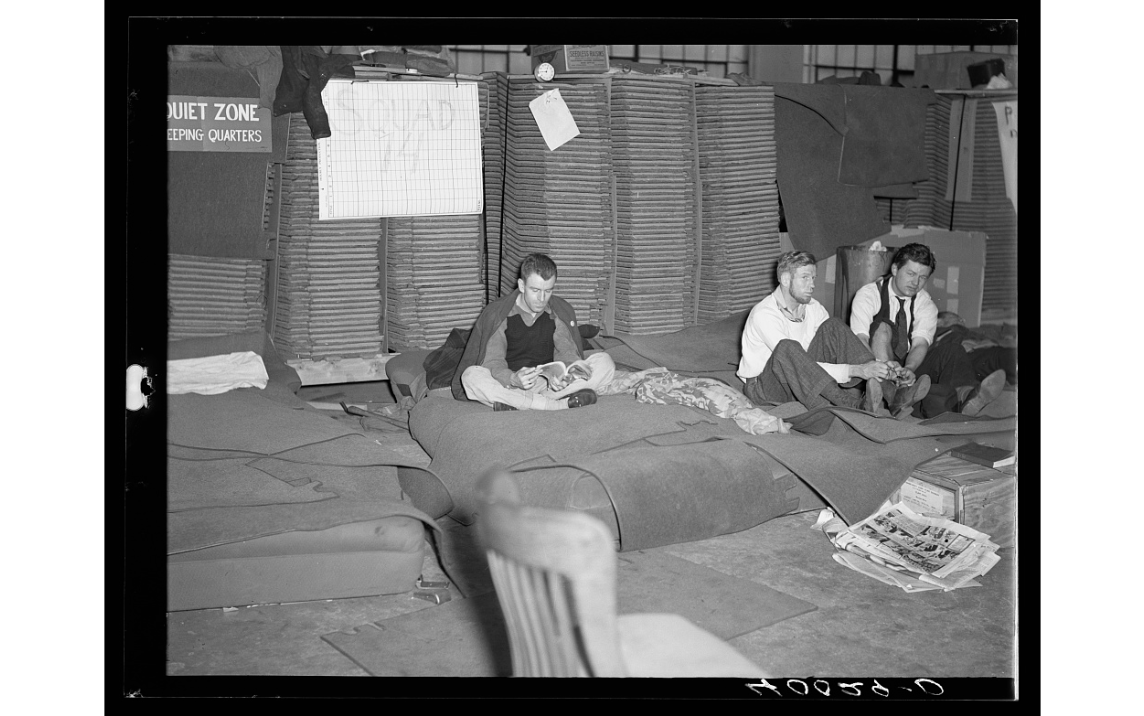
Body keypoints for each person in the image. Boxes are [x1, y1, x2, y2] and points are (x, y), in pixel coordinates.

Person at [737, 250, 929, 418]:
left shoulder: (813, 308)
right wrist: (856, 370)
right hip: (766, 387)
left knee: (834, 325)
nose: (812, 285)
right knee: (787, 347)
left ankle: (893, 395)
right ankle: (852, 405)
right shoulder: (765, 314)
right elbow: (799, 364)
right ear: (786, 279)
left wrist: (879, 366)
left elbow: (830, 352)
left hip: (798, 379)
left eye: (813, 278)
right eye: (805, 278)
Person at [849, 243, 1005, 418]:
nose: (915, 283)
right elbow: (860, 339)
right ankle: (894, 393)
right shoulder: (869, 295)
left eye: (922, 277)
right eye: (910, 274)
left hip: (906, 366)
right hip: (875, 365)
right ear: (894, 269)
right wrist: (881, 367)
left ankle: (965, 396)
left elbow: (920, 344)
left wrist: (909, 368)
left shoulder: (925, 303)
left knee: (952, 350)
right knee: (883, 327)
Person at [453, 253, 615, 411]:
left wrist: (565, 374)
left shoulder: (558, 311)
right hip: (510, 384)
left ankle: (523, 403)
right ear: (522, 286)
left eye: (548, 291)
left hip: (545, 384)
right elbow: (492, 362)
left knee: (604, 362)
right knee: (471, 376)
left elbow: (566, 353)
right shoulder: (499, 314)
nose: (542, 299)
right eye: (535, 290)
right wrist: (513, 379)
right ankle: (554, 404)